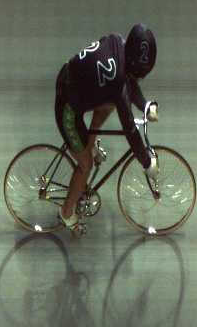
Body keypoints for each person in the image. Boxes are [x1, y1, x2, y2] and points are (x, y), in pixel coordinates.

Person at [55, 24, 160, 234]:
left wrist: (145, 105)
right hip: (67, 106)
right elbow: (130, 130)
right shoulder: (117, 82)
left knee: (110, 101)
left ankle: (90, 141)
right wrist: (146, 162)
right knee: (85, 165)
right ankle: (66, 213)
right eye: (140, 76)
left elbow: (127, 81)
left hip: (71, 78)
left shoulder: (118, 41)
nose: (139, 80)